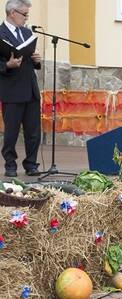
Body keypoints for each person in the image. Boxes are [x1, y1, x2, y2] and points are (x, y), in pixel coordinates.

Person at [0, 0, 42, 177]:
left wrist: (37, 61)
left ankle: (31, 164)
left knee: (33, 131)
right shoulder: (0, 33)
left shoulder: (27, 33)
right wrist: (7, 65)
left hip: (30, 88)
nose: (26, 18)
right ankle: (10, 164)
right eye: (24, 14)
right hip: (11, 89)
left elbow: (30, 60)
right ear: (12, 13)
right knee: (11, 132)